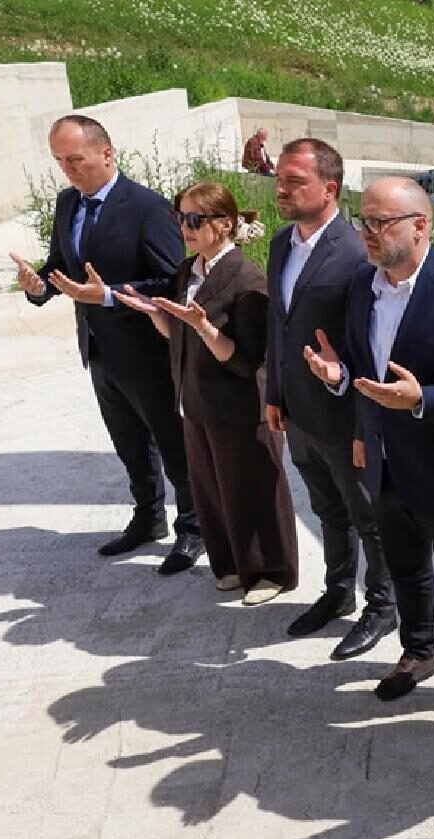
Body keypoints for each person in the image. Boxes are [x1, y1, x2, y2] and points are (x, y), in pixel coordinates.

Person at [304, 177, 434, 733]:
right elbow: (363, 366)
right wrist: (339, 375)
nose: (368, 233)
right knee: (407, 571)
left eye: (381, 222)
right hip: (384, 464)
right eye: (364, 221)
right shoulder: (362, 286)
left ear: (421, 226)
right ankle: (419, 651)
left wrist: (424, 400)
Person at [11, 115, 201, 575]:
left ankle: (194, 527)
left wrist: (112, 295)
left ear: (107, 154)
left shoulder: (148, 208)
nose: (68, 170)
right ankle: (148, 516)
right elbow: (63, 264)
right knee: (129, 442)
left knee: (171, 443)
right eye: (60, 161)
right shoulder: (67, 203)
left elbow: (172, 280)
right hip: (98, 348)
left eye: (76, 159)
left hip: (146, 351)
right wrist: (40, 286)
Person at [115, 183, 298, 606]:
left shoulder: (248, 279)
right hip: (197, 402)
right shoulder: (188, 270)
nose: (185, 227)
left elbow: (245, 360)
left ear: (225, 224)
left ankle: (270, 570)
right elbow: (180, 336)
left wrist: (203, 327)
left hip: (241, 405)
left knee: (253, 489)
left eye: (195, 219)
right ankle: (232, 563)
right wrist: (156, 314)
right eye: (179, 217)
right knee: (213, 491)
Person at [265, 138, 397, 656]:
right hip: (300, 411)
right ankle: (338, 591)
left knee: (369, 517)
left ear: (329, 189)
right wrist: (275, 392)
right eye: (280, 179)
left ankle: (382, 605)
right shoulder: (281, 244)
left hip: (345, 417)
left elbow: (371, 346)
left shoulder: (356, 253)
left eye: (295, 181)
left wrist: (366, 428)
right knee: (326, 508)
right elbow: (280, 324)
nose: (281, 189)